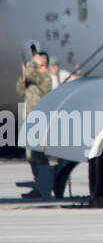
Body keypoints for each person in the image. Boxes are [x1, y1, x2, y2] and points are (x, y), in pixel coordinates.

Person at [16, 51, 53, 196]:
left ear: (43, 62)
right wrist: (24, 73)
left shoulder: (45, 78)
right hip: (29, 120)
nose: (34, 61)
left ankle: (44, 185)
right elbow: (20, 88)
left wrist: (31, 67)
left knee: (37, 155)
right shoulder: (33, 78)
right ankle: (39, 184)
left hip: (39, 121)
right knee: (31, 155)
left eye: (37, 60)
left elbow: (34, 76)